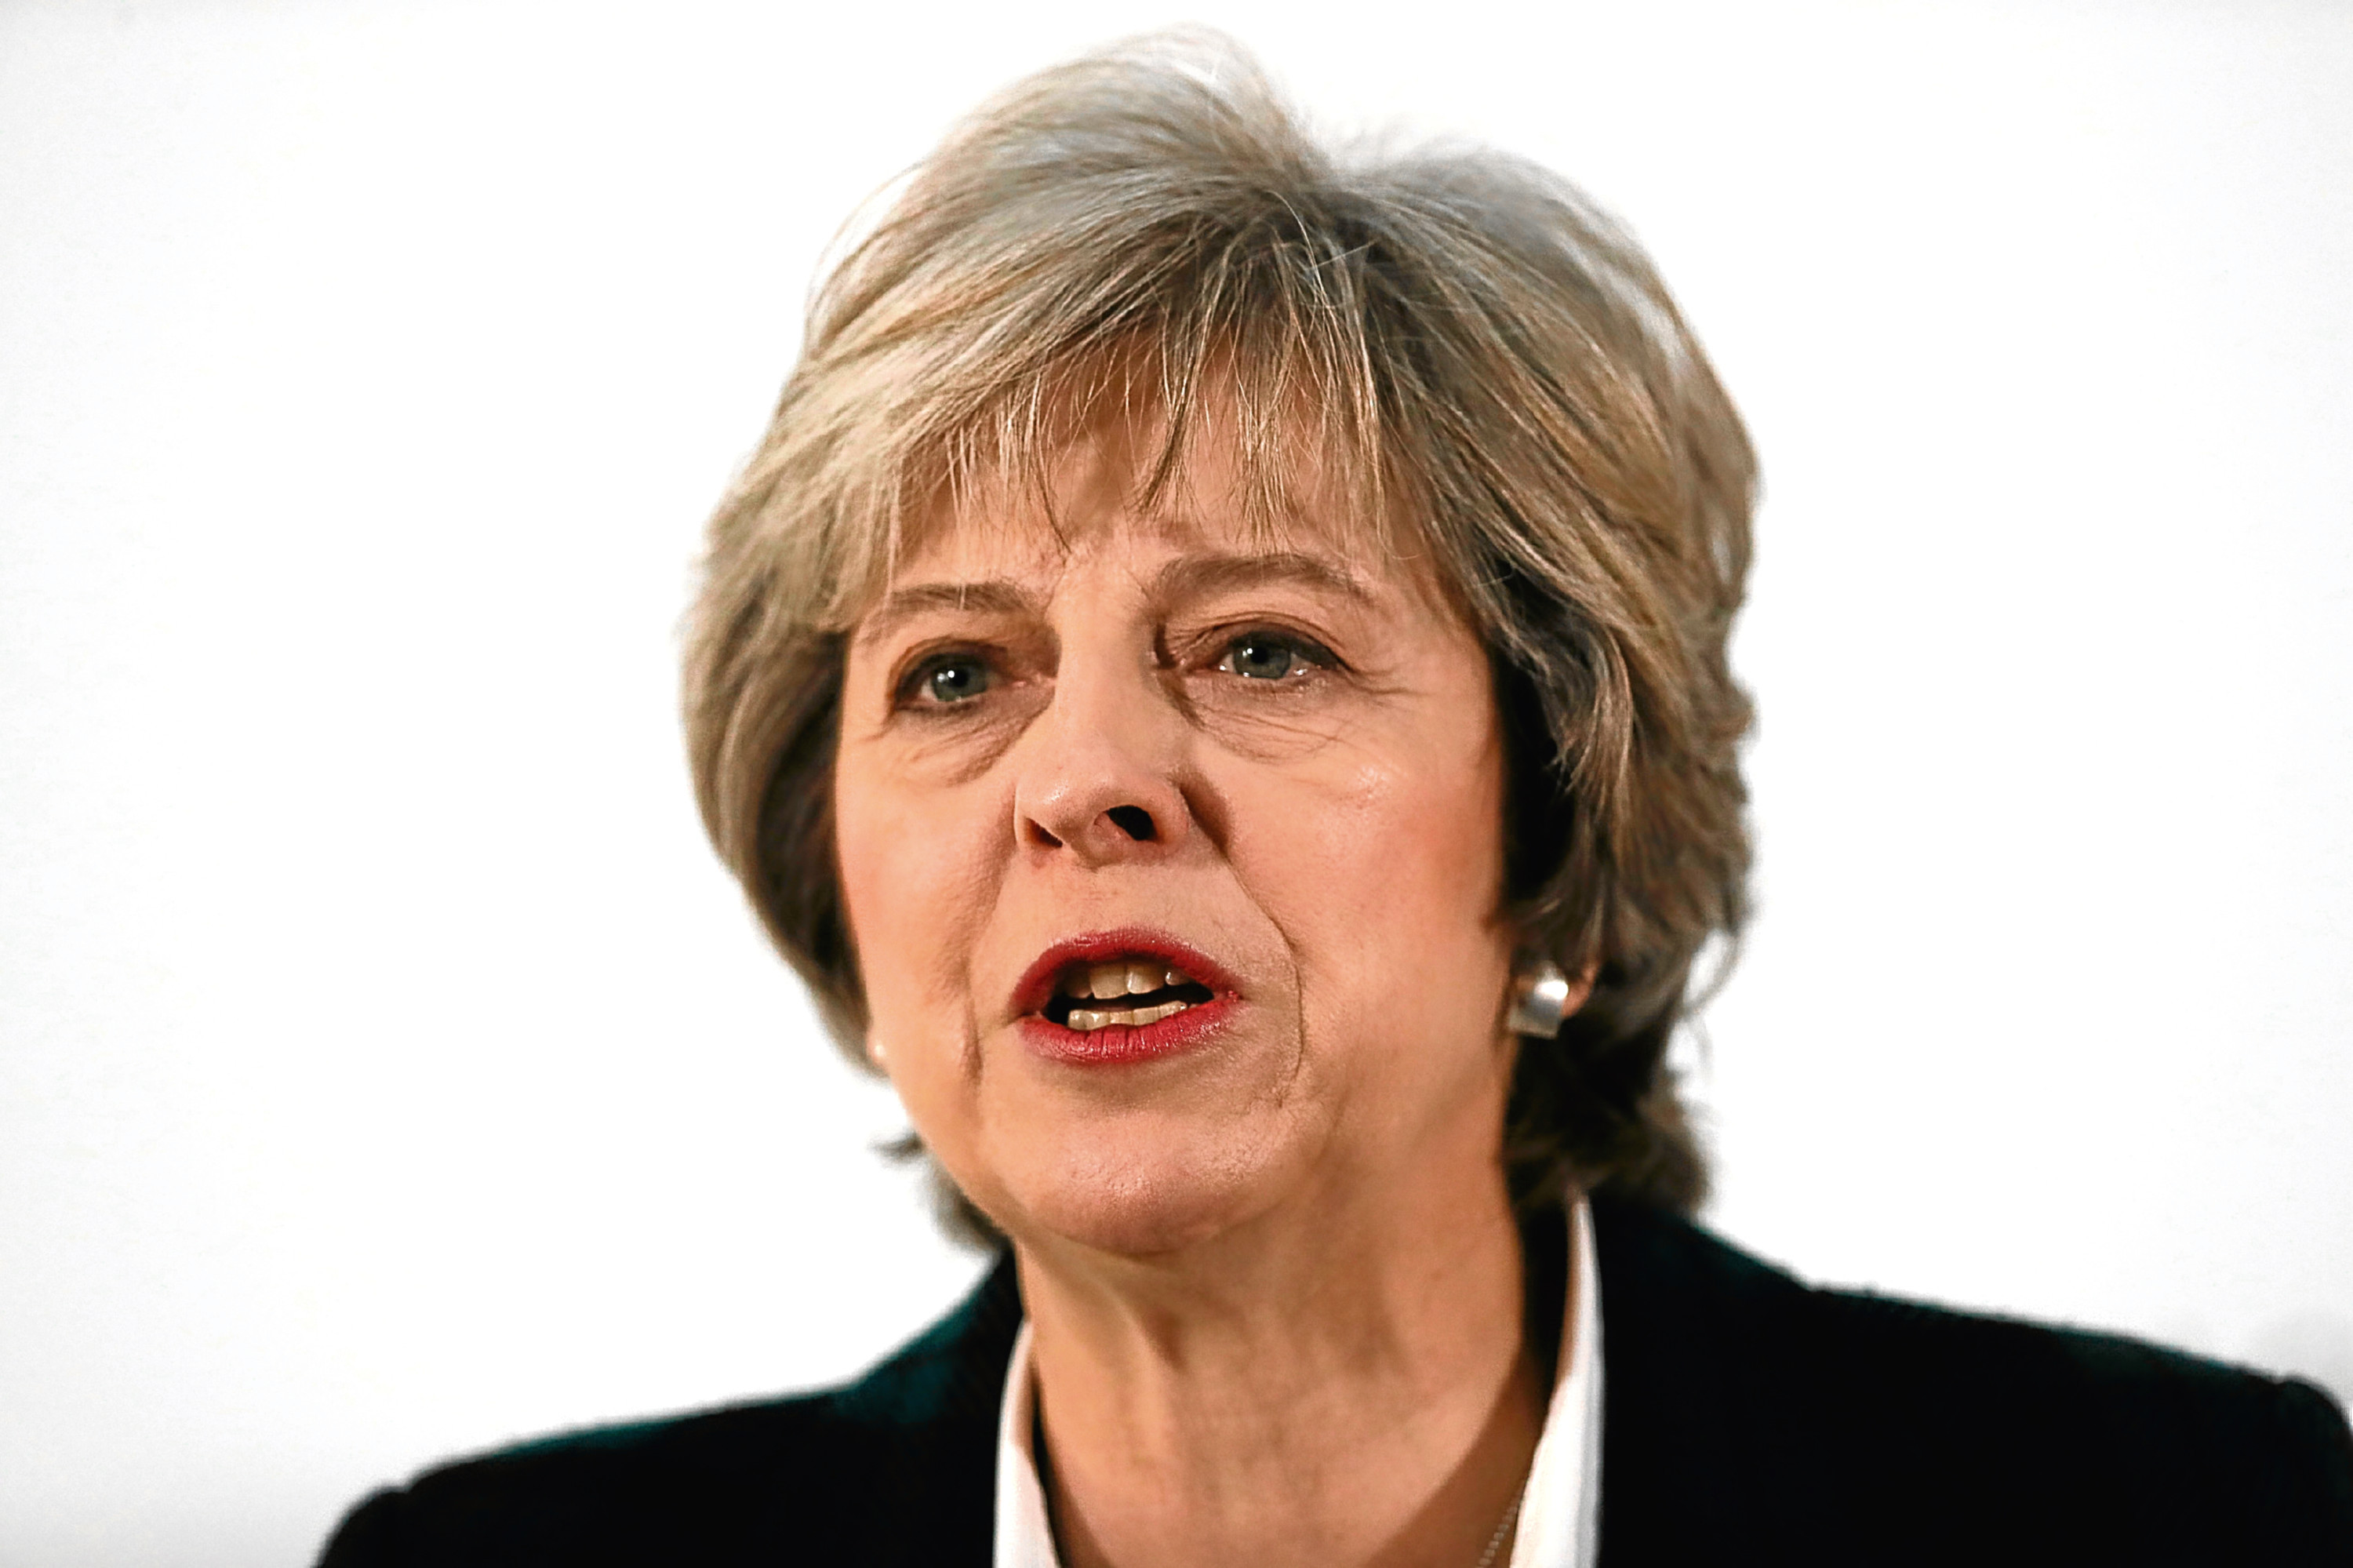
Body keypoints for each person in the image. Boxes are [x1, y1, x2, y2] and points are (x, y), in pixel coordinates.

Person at [315, 31, 2353, 1568]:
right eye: (955, 674)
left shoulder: (2192, 1523)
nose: (1086, 784)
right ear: (835, 872)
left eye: (1262, 648)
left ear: (1557, 830)